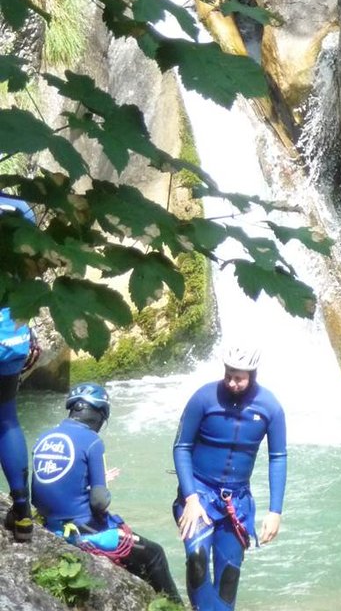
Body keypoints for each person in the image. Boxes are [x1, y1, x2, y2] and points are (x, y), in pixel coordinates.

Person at [32, 382, 183, 602]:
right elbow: (100, 502)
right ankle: (176, 606)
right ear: (99, 414)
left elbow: (46, 489)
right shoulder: (92, 441)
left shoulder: (44, 436)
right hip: (81, 532)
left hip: (50, 526)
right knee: (154, 553)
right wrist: (102, 488)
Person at [173, 342, 286, 611]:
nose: (233, 383)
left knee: (229, 574)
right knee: (198, 558)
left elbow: (278, 457)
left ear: (252, 375)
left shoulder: (270, 407)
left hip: (237, 500)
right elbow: (181, 447)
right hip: (199, 492)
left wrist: (275, 511)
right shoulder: (204, 398)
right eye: (229, 375)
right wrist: (190, 497)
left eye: (240, 378)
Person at [0, 193, 40, 543]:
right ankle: (24, 515)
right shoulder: (19, 207)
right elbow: (32, 269)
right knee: (7, 418)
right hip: (11, 332)